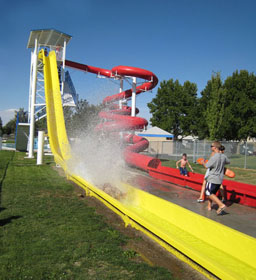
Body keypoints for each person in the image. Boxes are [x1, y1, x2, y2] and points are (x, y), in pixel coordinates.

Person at [204, 141, 230, 215]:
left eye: (211, 146)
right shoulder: (223, 156)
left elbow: (207, 166)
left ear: (215, 147)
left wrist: (203, 162)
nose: (211, 147)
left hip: (212, 178)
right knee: (212, 194)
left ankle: (221, 205)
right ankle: (209, 206)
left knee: (208, 193)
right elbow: (228, 162)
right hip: (219, 179)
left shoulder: (214, 157)